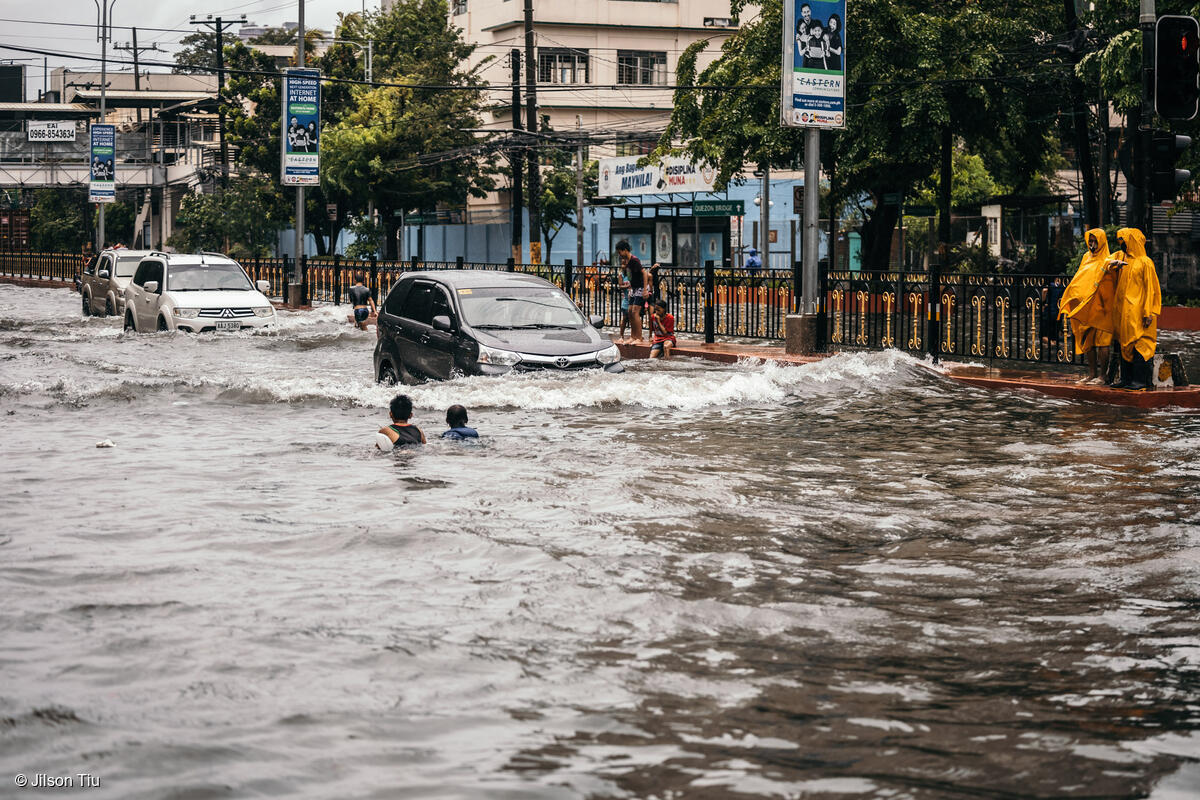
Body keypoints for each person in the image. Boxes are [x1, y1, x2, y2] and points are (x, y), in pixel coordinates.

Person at [1058, 228, 1116, 384]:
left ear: (1102, 241)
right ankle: (1092, 374)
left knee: (1103, 342)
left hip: (1103, 307)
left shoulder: (1109, 260)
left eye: (1095, 241)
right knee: (1087, 341)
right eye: (1090, 241)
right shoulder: (1086, 257)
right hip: (1086, 306)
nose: (1092, 244)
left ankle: (1103, 376)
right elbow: (1080, 278)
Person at [1111, 227, 1161, 390]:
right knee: (1125, 344)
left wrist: (1149, 312)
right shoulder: (1124, 262)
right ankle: (1126, 378)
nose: (1122, 245)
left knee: (1141, 344)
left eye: (1123, 241)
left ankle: (1139, 380)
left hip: (1140, 313)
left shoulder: (1145, 262)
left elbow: (1151, 290)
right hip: (1125, 313)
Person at [615, 239, 646, 342]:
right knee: (629, 311)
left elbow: (644, 273)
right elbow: (630, 276)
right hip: (633, 288)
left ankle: (639, 337)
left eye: (620, 252)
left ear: (625, 250)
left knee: (635, 311)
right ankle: (633, 336)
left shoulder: (634, 260)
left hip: (640, 288)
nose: (619, 255)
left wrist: (645, 290)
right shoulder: (627, 262)